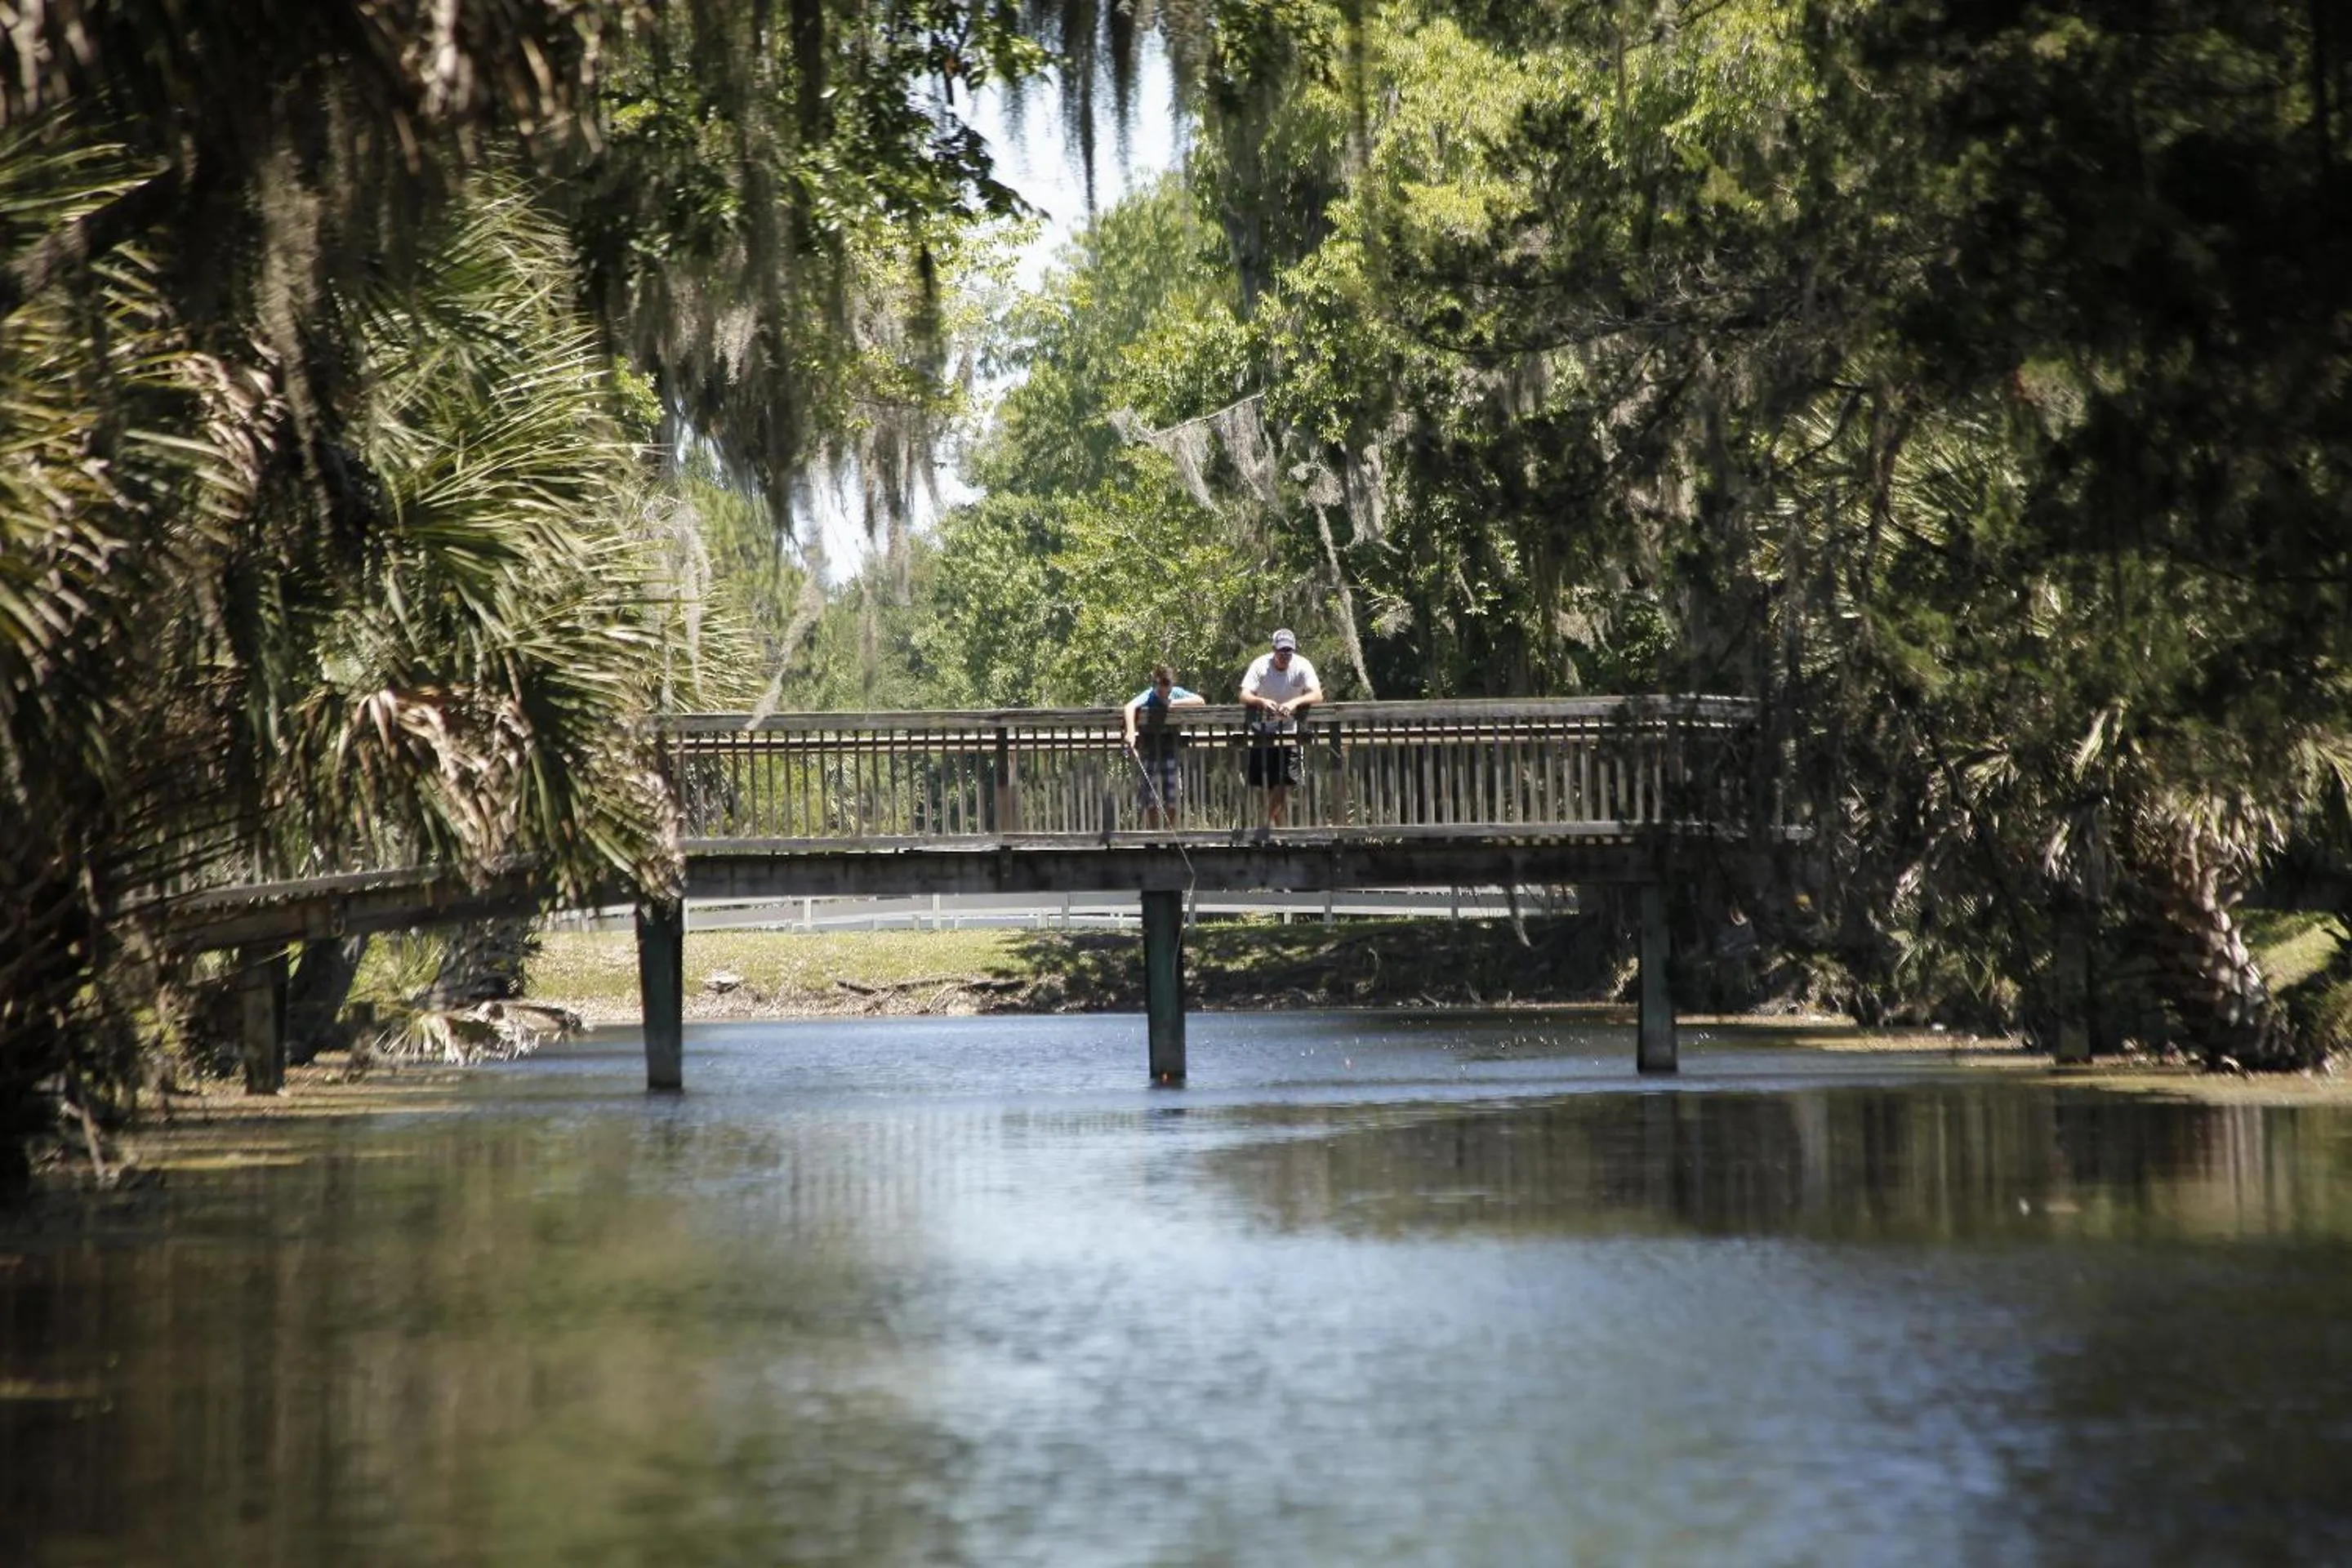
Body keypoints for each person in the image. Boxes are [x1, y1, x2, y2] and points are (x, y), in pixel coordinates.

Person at [1238, 628, 1322, 830]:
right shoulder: (1260, 665)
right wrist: (1261, 701)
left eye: (1289, 651)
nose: (1285, 656)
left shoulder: (1302, 665)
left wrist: (1295, 703)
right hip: (1262, 730)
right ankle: (1280, 835)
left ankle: (1265, 825)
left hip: (1289, 730)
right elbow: (1244, 695)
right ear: (1273, 649)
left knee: (1286, 782)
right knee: (1265, 786)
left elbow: (1317, 695)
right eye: (1281, 651)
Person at [1122, 663, 1205, 829]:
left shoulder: (1177, 693)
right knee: (1149, 795)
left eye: (1166, 684)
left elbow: (1200, 701)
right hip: (1150, 748)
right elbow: (1129, 707)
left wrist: (1173, 705)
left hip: (1170, 749)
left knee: (1173, 795)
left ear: (1171, 684)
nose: (1163, 688)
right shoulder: (1149, 695)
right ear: (1156, 683)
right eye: (1160, 684)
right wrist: (1131, 732)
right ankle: (1154, 832)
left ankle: (1168, 832)